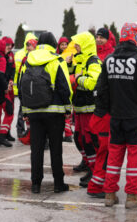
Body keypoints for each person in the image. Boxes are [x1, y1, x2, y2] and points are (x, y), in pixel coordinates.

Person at [97, 23, 137, 208]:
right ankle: (132, 196)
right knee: (134, 159)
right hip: (136, 117)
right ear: (136, 38)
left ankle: (110, 194)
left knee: (114, 157)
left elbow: (102, 88)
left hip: (116, 117)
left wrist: (106, 110)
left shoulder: (109, 59)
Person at [19, 32, 72, 194]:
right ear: (54, 44)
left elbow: (22, 87)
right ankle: (58, 183)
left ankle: (36, 184)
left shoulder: (28, 59)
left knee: (36, 150)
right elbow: (64, 87)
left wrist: (25, 111)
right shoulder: (57, 59)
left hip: (34, 112)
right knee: (56, 149)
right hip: (54, 113)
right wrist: (68, 107)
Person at [70, 31, 102, 188]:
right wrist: (70, 66)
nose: (75, 46)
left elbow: (92, 83)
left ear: (84, 44)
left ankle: (96, 172)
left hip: (90, 108)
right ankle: (92, 169)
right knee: (82, 139)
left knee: (90, 141)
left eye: (77, 43)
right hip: (81, 107)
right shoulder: (81, 60)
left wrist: (77, 79)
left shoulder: (93, 61)